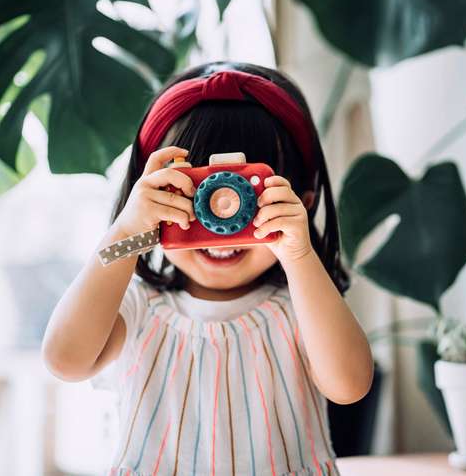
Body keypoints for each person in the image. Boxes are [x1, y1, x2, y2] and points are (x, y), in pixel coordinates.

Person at [42, 61, 373, 476]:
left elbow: (350, 385)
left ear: (302, 204)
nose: (223, 224)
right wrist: (126, 234)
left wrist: (300, 256)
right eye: (195, 194)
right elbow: (63, 359)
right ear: (150, 204)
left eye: (247, 194)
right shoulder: (137, 308)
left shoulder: (302, 309)